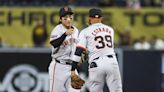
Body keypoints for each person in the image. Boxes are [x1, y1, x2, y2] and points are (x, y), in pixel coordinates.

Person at [71, 8, 123, 92]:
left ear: (89, 18)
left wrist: (73, 68)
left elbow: (79, 51)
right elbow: (103, 48)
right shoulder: (110, 30)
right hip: (112, 62)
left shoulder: (85, 31)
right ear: (101, 18)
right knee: (117, 90)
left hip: (96, 63)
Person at [48, 6, 80, 92]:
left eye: (70, 17)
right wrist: (64, 34)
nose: (68, 19)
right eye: (65, 18)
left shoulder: (76, 31)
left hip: (72, 67)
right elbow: (54, 43)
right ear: (60, 19)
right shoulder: (57, 30)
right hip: (59, 66)